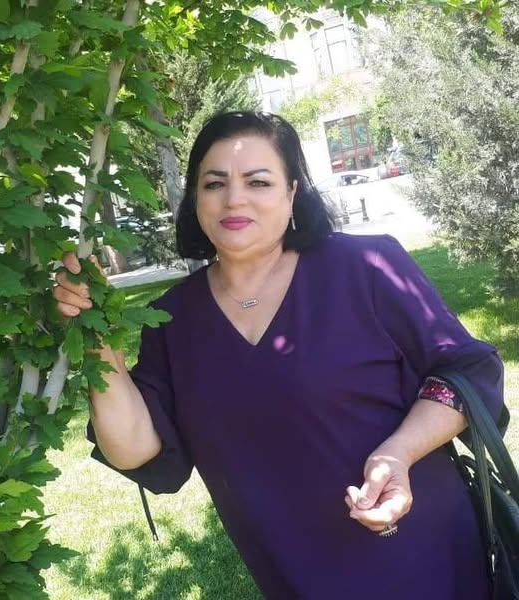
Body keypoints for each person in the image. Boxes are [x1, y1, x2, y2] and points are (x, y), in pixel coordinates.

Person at [53, 112, 504, 599]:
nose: (234, 198)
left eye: (258, 181)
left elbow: (466, 373)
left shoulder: (366, 268)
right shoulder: (173, 318)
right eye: (214, 183)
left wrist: (398, 452)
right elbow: (135, 449)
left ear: (292, 193)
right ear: (194, 198)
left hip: (420, 549)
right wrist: (97, 340)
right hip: (292, 573)